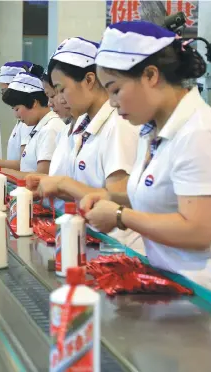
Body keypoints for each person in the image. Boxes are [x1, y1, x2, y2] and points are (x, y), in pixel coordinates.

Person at [79, 21, 211, 294]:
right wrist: (109, 198)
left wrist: (121, 216)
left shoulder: (199, 133)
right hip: (172, 281)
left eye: (115, 90)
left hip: (208, 294)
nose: (112, 103)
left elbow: (197, 231)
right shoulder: (154, 130)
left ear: (150, 75)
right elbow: (162, 193)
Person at [27, 37, 142, 251]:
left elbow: (117, 198)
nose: (59, 99)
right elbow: (88, 189)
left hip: (116, 247)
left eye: (62, 89)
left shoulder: (119, 124)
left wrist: (62, 183)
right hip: (90, 239)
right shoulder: (84, 123)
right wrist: (51, 185)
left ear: (89, 80)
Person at [0, 70, 65, 178]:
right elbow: (24, 166)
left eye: (17, 108)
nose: (16, 115)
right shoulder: (38, 127)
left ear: (34, 103)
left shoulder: (50, 129)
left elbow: (40, 177)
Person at [0, 61, 34, 161]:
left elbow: (22, 164)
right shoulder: (21, 119)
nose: (3, 96)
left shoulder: (29, 120)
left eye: (4, 91)